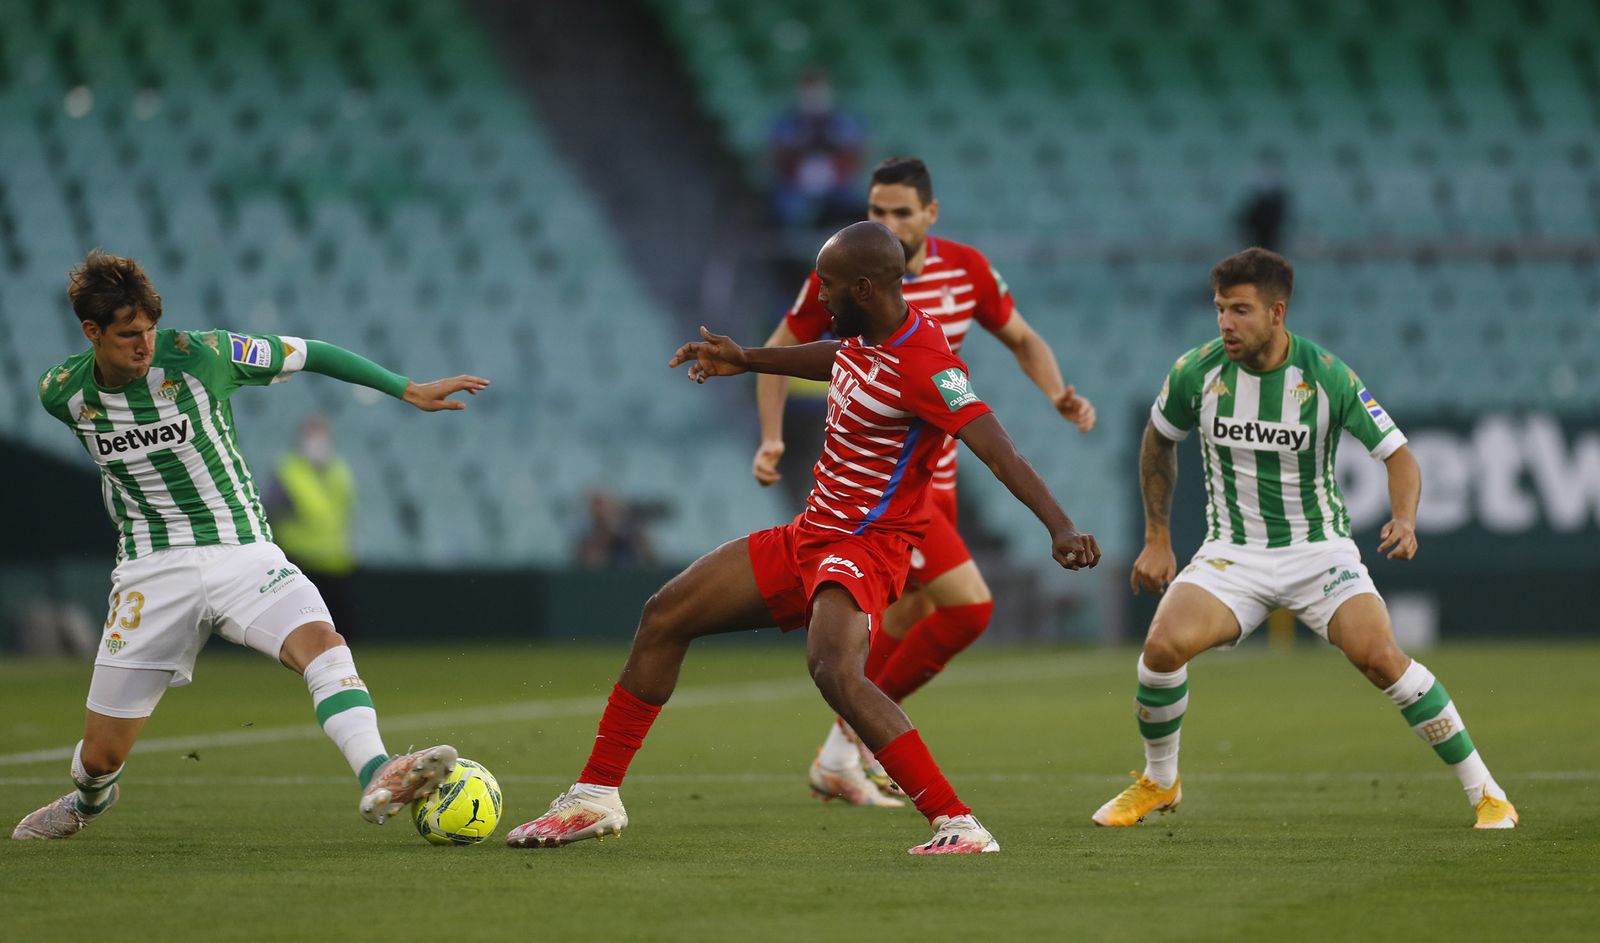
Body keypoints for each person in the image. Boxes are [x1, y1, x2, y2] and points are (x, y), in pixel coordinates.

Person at [506, 222, 1100, 855]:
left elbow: (996, 446)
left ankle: (958, 824)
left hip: (866, 546)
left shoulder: (929, 366)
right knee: (664, 616)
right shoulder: (869, 337)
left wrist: (1059, 524)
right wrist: (746, 359)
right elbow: (838, 358)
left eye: (829, 285)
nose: (819, 296)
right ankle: (595, 796)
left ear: (865, 288)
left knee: (834, 670)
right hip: (810, 536)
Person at [13, 250, 489, 841]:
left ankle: (379, 768)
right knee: (102, 755)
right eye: (129, 335)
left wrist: (405, 388)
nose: (145, 345)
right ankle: (88, 799)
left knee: (322, 644)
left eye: (150, 330)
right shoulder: (63, 393)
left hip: (241, 548)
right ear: (92, 333)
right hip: (150, 570)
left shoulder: (202, 355)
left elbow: (309, 352)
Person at [1092, 247, 1517, 830]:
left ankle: (1487, 792)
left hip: (1319, 553)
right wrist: (1157, 537)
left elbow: (1398, 456)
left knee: (1380, 658)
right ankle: (1159, 781)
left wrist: (1405, 518)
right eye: (1220, 309)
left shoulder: (1326, 376)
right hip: (1232, 554)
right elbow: (1158, 439)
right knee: (1162, 648)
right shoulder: (1198, 371)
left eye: (1240, 310)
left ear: (1277, 311)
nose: (1226, 324)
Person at [753, 156, 1097, 805]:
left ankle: (839, 753)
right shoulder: (844, 276)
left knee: (910, 614)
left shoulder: (966, 270)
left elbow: (1021, 337)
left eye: (901, 211)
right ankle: (858, 747)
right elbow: (780, 347)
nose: (887, 221)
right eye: (877, 210)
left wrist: (1057, 393)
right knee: (968, 607)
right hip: (890, 491)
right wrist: (772, 435)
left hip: (939, 478)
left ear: (930, 216)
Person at [265, 416, 358, 634]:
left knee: (340, 629)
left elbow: (348, 511)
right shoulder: (288, 471)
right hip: (301, 560)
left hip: (337, 562)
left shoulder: (339, 470)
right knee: (305, 628)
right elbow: (270, 510)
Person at [768, 69, 864, 228]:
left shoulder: (843, 122)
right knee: (788, 210)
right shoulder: (786, 123)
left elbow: (855, 154)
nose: (814, 99)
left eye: (819, 93)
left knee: (853, 210)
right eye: (809, 93)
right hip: (796, 187)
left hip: (837, 187)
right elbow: (776, 157)